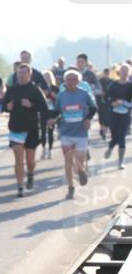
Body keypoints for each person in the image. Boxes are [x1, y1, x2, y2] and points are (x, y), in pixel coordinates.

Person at [2, 63, 49, 197]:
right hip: (16, 128)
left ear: (29, 74)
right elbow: (4, 106)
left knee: (30, 160)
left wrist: (31, 105)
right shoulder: (11, 89)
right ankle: (19, 186)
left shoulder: (35, 90)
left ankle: (30, 173)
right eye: (19, 73)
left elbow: (43, 107)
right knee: (18, 159)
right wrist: (8, 107)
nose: (21, 75)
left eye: (24, 73)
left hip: (31, 128)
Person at [50, 69, 98, 199]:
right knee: (68, 160)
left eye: (73, 79)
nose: (70, 82)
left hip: (81, 132)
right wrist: (51, 119)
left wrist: (88, 118)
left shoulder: (84, 94)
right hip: (66, 132)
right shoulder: (61, 96)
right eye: (68, 79)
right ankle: (71, 187)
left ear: (78, 81)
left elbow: (94, 108)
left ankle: (81, 171)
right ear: (64, 81)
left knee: (79, 160)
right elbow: (56, 111)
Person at [104, 64, 132, 169]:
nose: (124, 73)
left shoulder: (130, 86)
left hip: (125, 116)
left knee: (122, 137)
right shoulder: (113, 85)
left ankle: (120, 162)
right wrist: (112, 103)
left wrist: (124, 102)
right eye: (122, 70)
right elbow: (106, 98)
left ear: (129, 73)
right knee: (115, 136)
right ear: (119, 72)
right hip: (114, 114)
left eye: (126, 71)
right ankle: (111, 147)